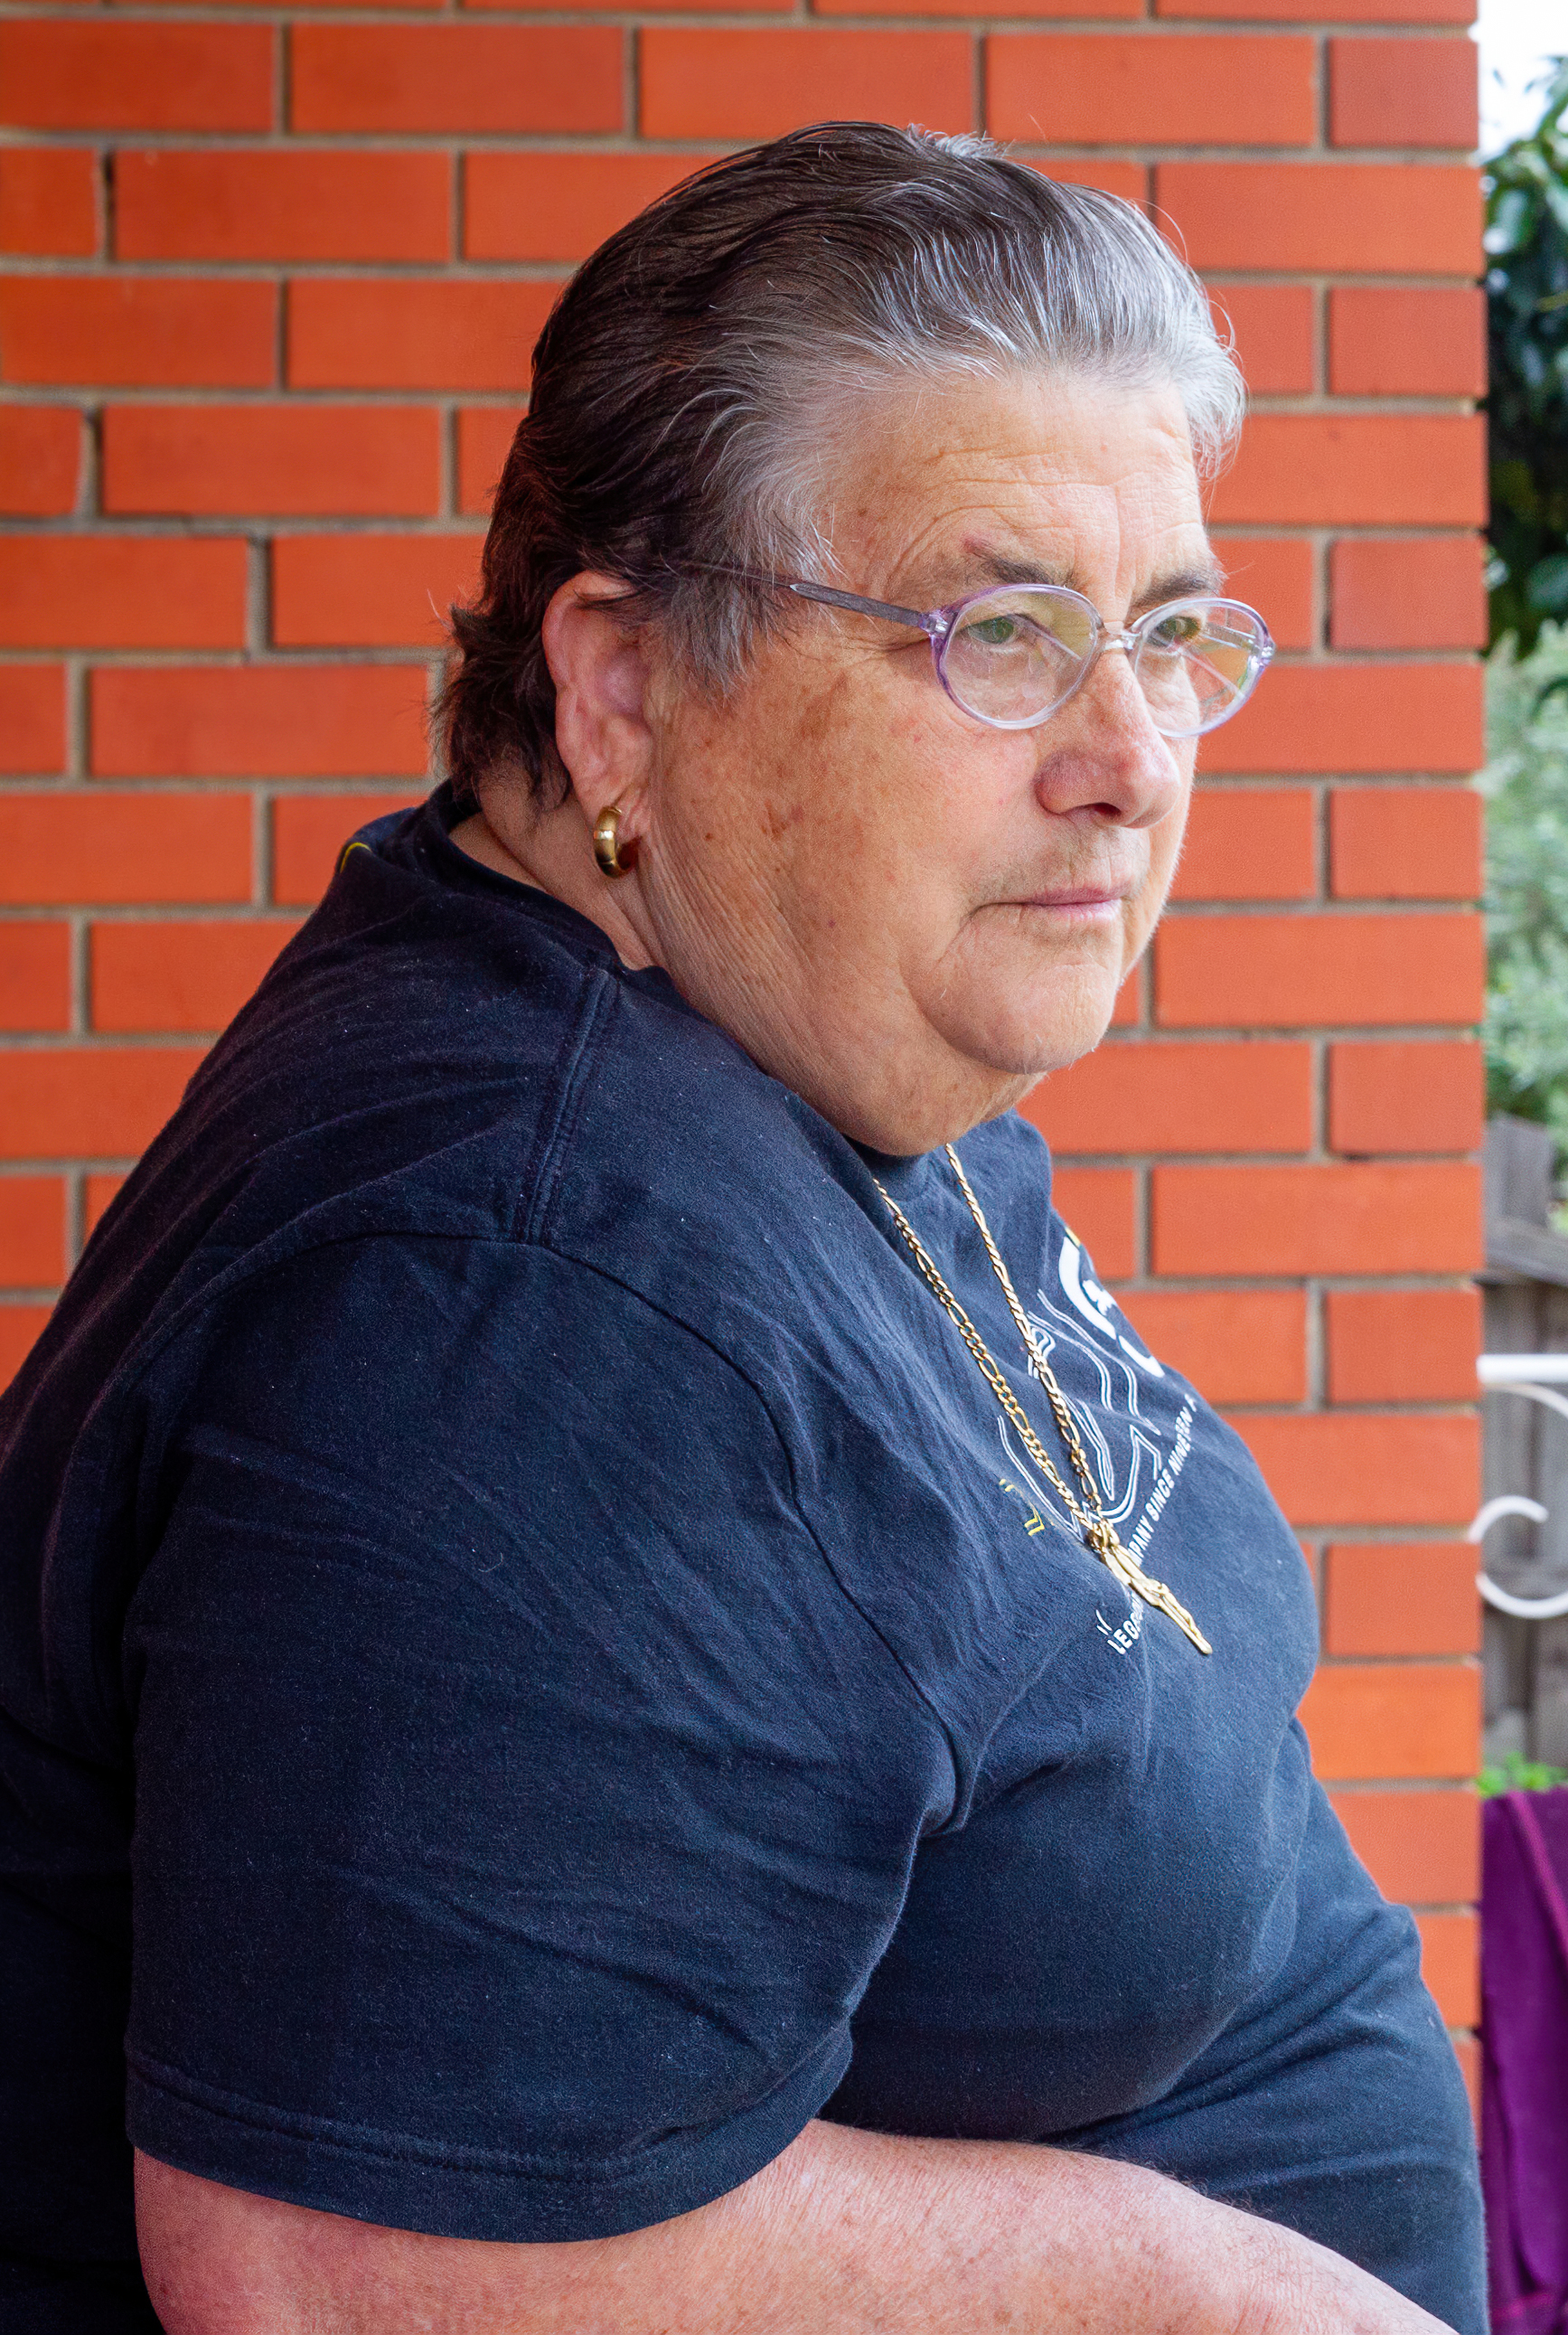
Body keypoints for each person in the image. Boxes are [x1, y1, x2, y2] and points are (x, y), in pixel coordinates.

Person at [0, 123, 1483, 2335]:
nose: (1132, 753)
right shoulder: (531, 1297)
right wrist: (1214, 2293)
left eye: (1171, 634)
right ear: (621, 688)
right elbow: (350, 2267)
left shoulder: (806, 1027)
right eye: (1003, 631)